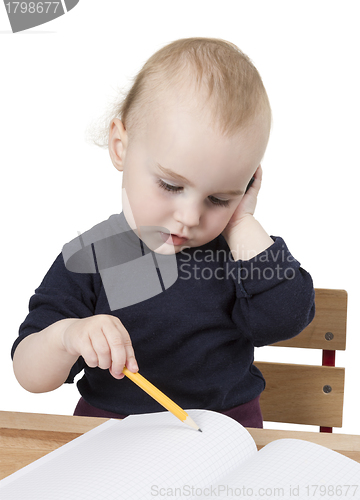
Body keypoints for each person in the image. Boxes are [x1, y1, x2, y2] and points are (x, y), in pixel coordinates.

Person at [12, 37, 315, 428]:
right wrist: (68, 335)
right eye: (171, 186)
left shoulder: (237, 257)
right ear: (121, 146)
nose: (189, 216)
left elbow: (287, 317)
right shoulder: (92, 257)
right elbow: (29, 374)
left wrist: (241, 224)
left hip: (224, 434)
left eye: (220, 198)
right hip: (110, 437)